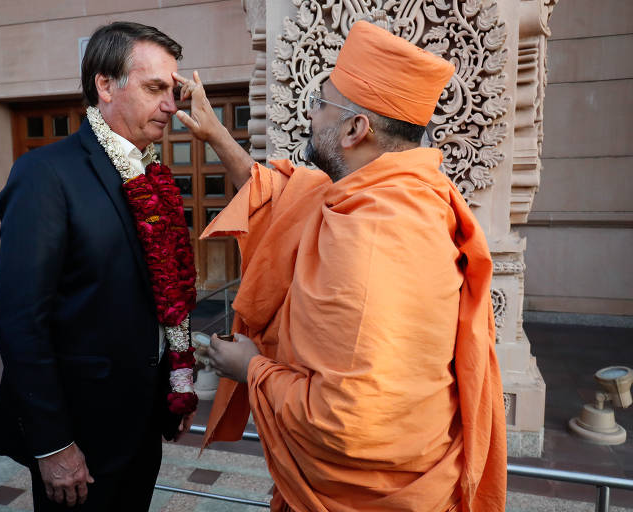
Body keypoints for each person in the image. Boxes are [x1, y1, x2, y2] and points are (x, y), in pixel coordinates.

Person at [174, 20, 507, 512]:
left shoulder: (371, 240)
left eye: (321, 105)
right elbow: (282, 199)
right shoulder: (402, 194)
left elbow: (344, 421)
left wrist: (250, 368)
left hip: (367, 495)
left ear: (355, 129)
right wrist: (218, 135)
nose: (311, 117)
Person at [0, 22, 198, 511]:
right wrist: (53, 444)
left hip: (141, 421)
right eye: (154, 88)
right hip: (80, 433)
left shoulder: (154, 176)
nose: (170, 104)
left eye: (173, 90)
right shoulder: (46, 173)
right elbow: (21, 320)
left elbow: (160, 296)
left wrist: (176, 381)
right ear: (105, 86)